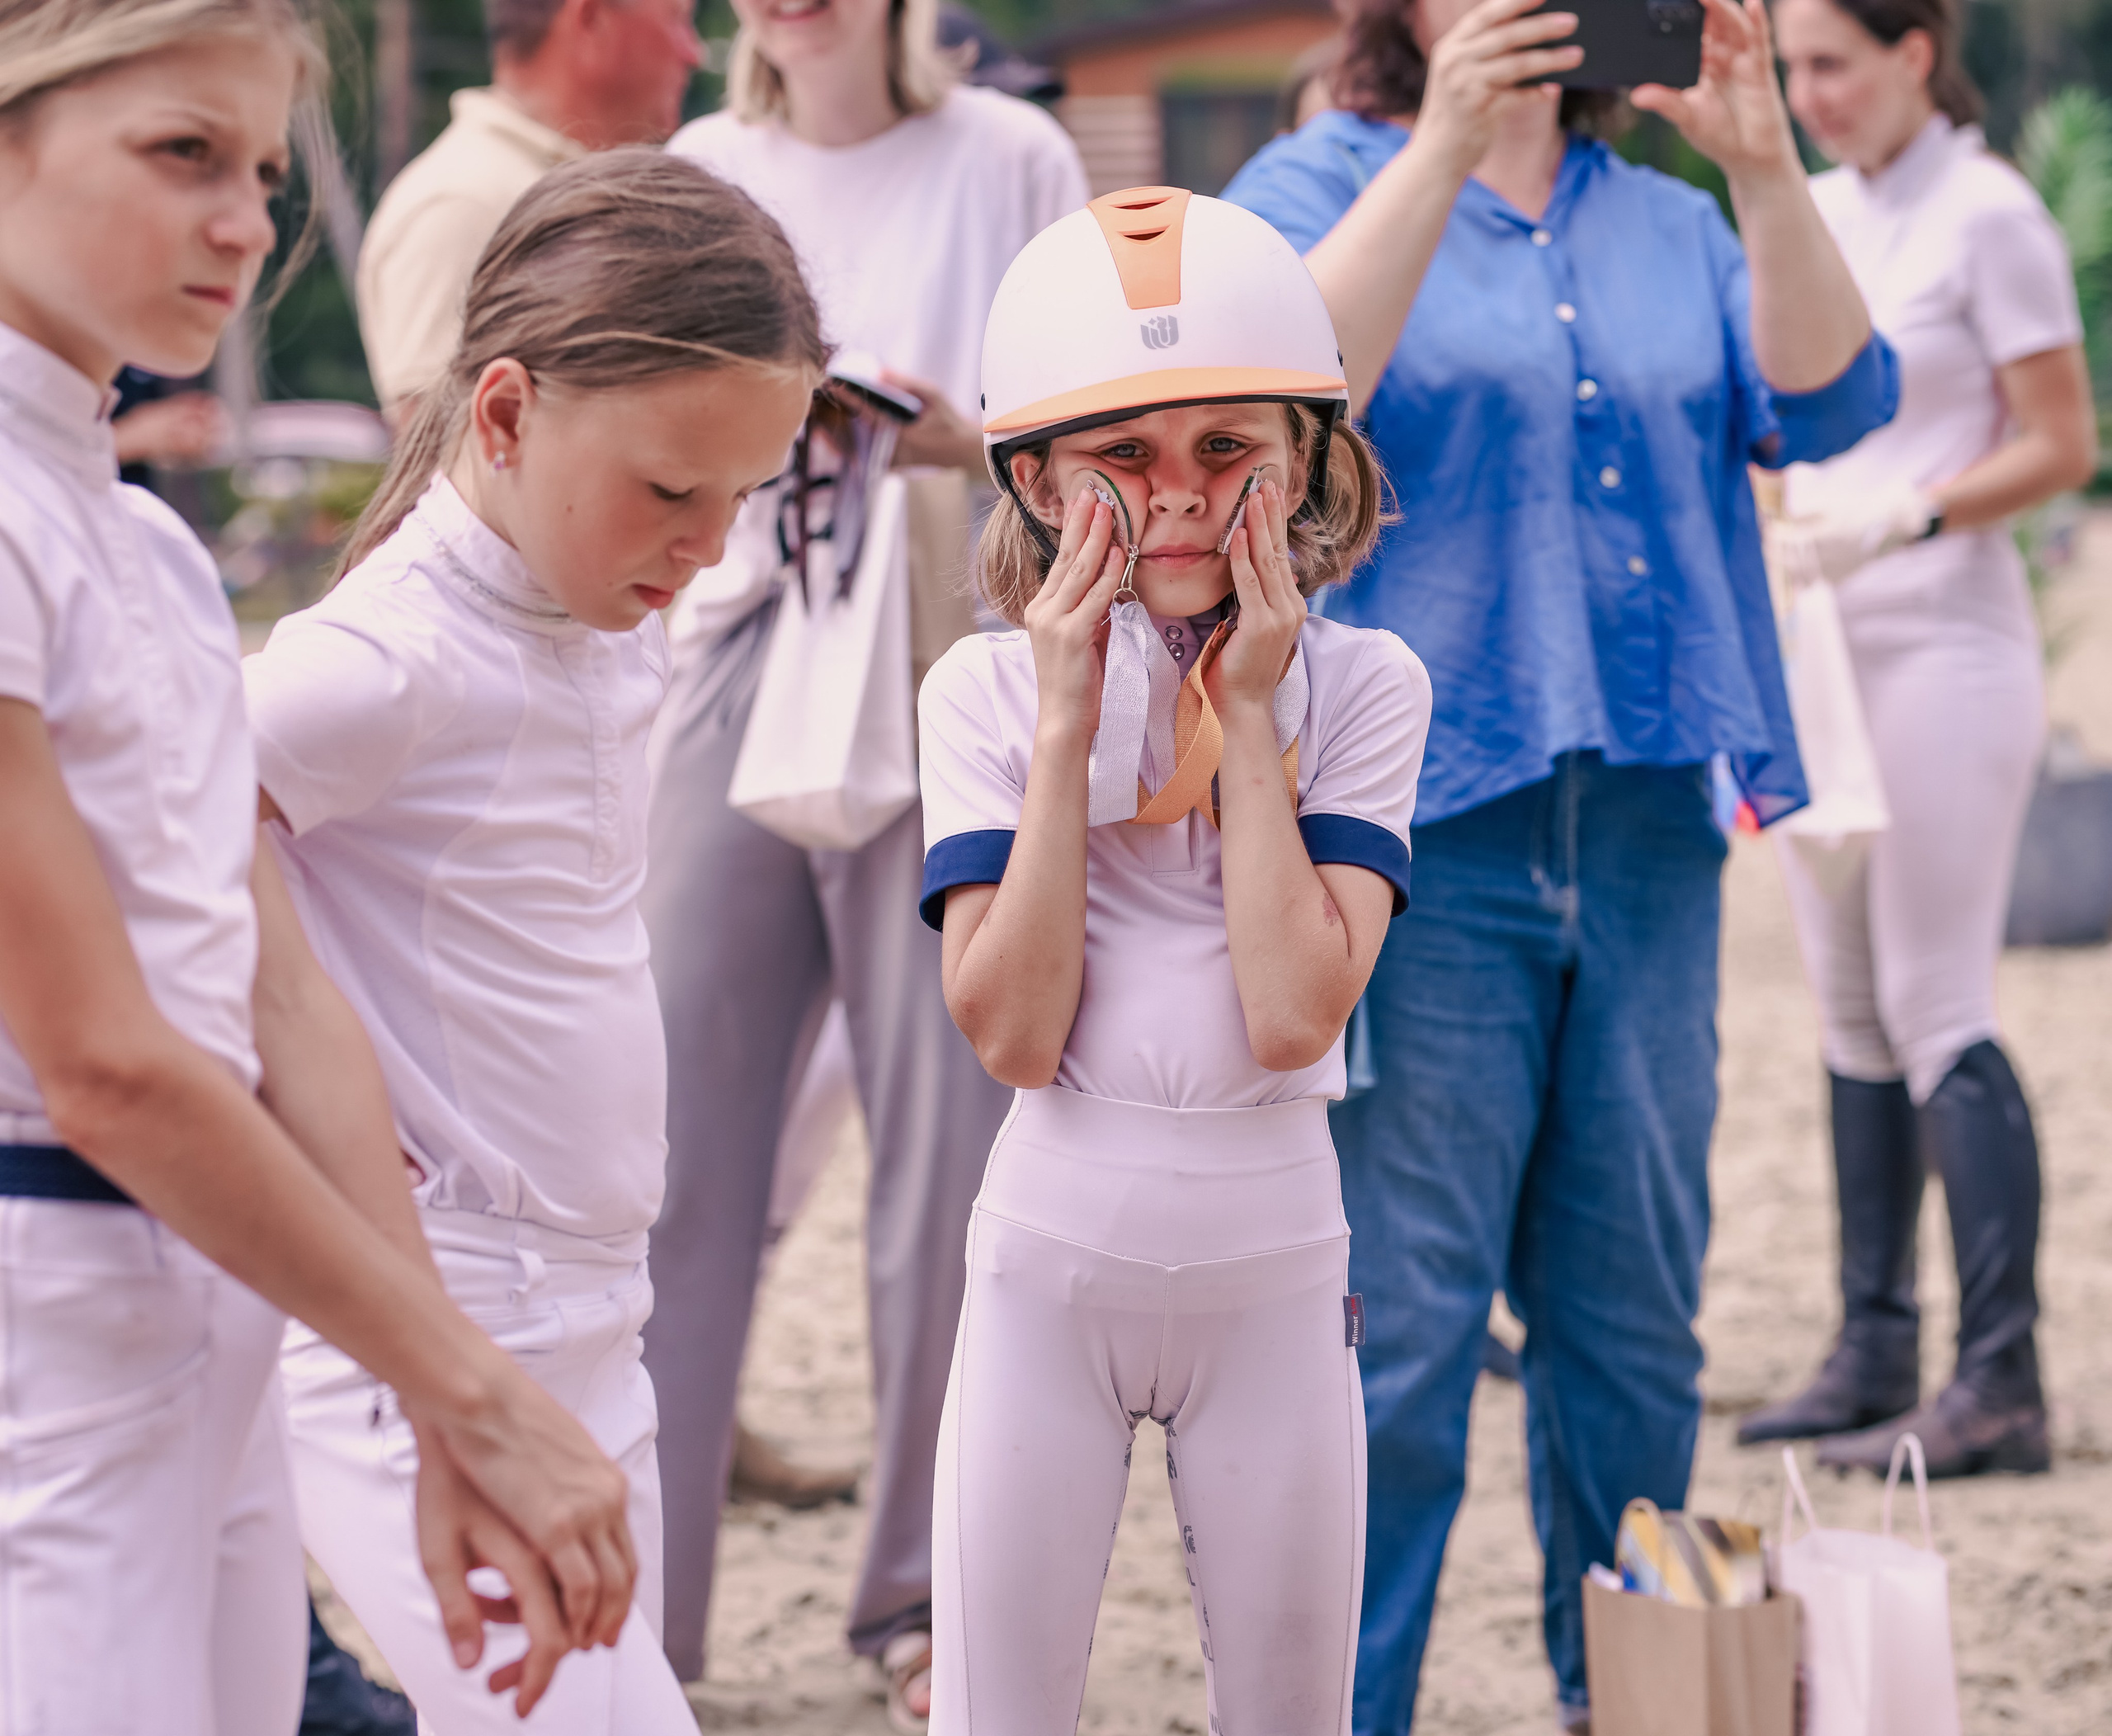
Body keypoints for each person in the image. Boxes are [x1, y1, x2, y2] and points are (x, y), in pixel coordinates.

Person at [1221, 0, 1899, 1725]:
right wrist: (1444, 141)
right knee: (1399, 1333)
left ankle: (1641, 1697)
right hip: (1414, 832)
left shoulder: (1671, 213)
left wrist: (1759, 165)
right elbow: (1276, 401)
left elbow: (1830, 404)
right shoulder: (1311, 182)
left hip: (1658, 811)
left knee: (1634, 1327)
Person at [0, 1, 646, 1726]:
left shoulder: (133, 540)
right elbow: (108, 1061)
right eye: (183, 153)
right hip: (44, 1342)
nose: (247, 223)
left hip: (209, 1321)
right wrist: (475, 1387)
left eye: (270, 172)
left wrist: (439, 1401)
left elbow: (274, 981)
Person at [242, 151, 824, 1732]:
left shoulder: (603, 616)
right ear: (504, 414)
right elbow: (147, 859)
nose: (708, 546)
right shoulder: (379, 662)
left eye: (742, 498)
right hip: (433, 1325)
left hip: (595, 1313)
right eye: (669, 489)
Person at [919, 188, 1423, 1735]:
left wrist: (1252, 718)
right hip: (1045, 1259)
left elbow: (1288, 1014)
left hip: (1277, 1262)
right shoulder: (986, 695)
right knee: (998, 1711)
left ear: (1309, 458)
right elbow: (1010, 1033)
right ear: (1036, 477)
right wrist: (1069, 717)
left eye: (1229, 451)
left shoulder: (1367, 683)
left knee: (1291, 1711)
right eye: (1123, 459)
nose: (1183, 498)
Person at [646, 0, 1087, 1711]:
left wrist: (935, 433)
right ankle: (642, 1617)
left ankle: (923, 1597)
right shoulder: (702, 171)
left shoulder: (1014, 155)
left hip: (940, 643)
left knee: (947, 1155)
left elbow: (1074, 428)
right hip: (738, 641)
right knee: (674, 1156)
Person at [1735, 0, 2094, 1478]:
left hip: (1946, 635)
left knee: (1937, 991)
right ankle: (1874, 1338)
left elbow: (2063, 439)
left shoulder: (1990, 213)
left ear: (1914, 53)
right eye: (1793, 69)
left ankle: (2001, 1374)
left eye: (1832, 64)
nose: (1809, 95)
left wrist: (1914, 508)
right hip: (1826, 645)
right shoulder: (1815, 210)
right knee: (1848, 1007)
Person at [355, 0, 703, 414]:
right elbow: (439, 453)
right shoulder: (464, 205)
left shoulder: (518, 192)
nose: (693, 53)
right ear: (592, 20)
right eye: (678, 20)